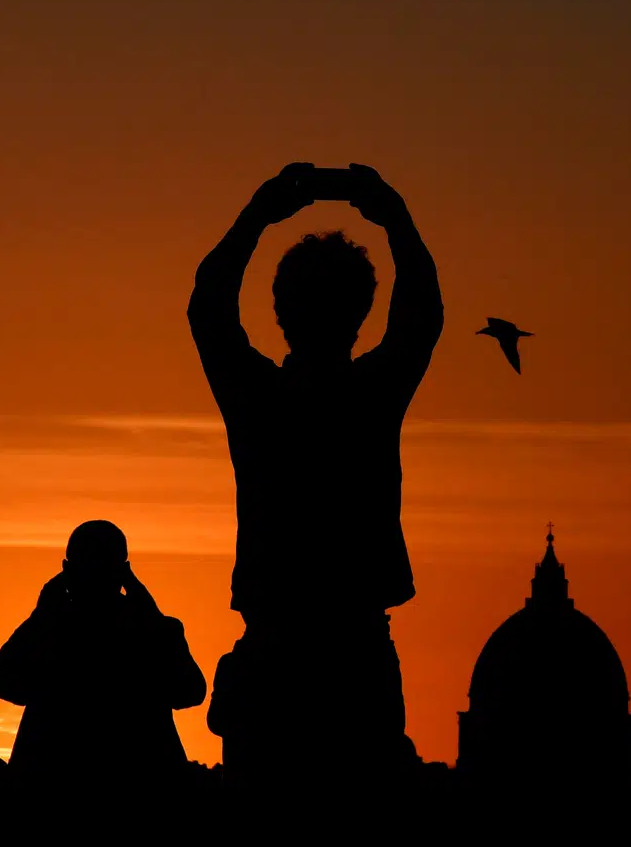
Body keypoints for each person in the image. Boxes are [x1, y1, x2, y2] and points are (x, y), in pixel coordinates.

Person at [187, 163, 442, 801]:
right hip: (355, 660)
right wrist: (395, 216)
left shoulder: (258, 401)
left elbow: (208, 306)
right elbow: (421, 316)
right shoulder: (371, 399)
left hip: (274, 660)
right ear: (361, 311)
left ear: (280, 310)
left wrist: (258, 213)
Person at [0, 520, 206, 824]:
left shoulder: (52, 629)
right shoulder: (149, 629)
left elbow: (190, 691)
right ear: (125, 570)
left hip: (60, 796)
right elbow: (190, 691)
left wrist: (40, 617)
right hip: (137, 796)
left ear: (65, 569)